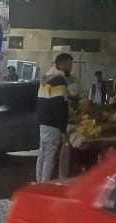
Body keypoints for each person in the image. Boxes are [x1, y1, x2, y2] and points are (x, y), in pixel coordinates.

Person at [35, 53, 77, 183]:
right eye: (69, 64)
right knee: (50, 156)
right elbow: (59, 106)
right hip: (53, 124)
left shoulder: (47, 78)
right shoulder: (59, 80)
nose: (71, 68)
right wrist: (63, 129)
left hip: (43, 122)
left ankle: (39, 183)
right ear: (62, 64)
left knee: (42, 154)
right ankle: (44, 185)